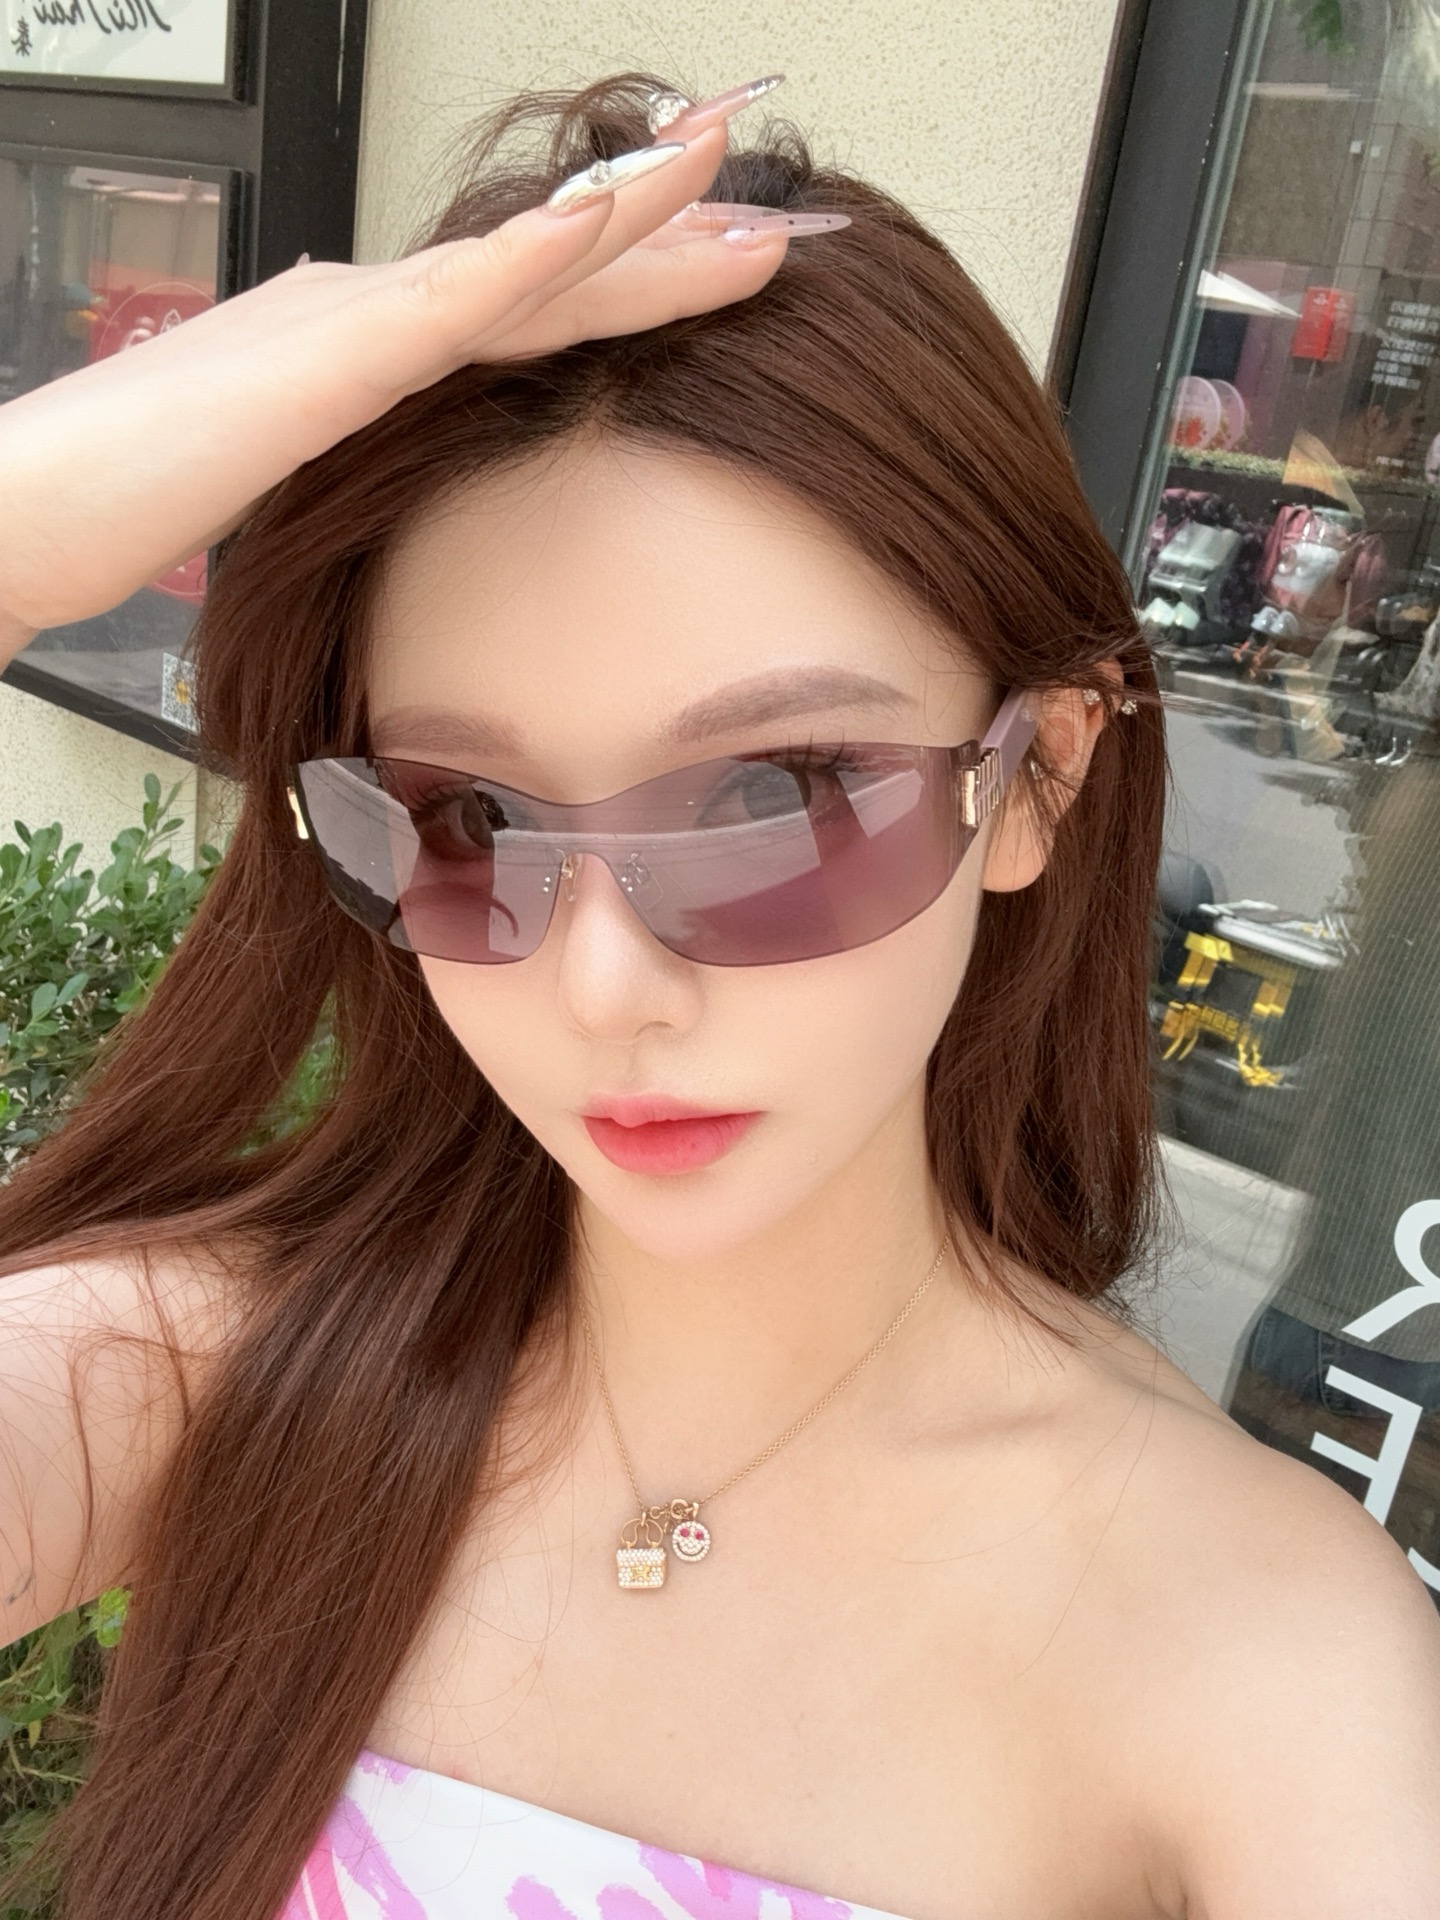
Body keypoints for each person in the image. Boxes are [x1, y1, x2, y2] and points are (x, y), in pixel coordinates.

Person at [0, 71, 1436, 1920]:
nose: (605, 980)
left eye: (773, 798)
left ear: (1039, 782)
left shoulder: (1269, 1666)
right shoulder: (218, 1375)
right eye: (469, 819)